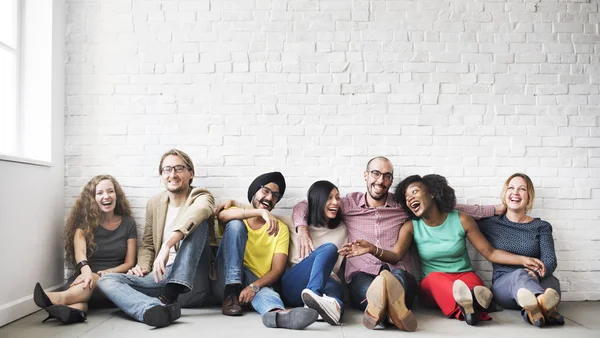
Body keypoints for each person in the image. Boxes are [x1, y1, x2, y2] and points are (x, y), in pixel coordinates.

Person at [294, 157, 499, 331]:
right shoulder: (348, 204)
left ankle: (381, 312)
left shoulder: (403, 205)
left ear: (391, 180)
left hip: (397, 269)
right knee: (369, 286)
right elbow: (305, 204)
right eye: (375, 174)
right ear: (365, 176)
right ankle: (394, 313)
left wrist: (495, 210)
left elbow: (449, 208)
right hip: (361, 273)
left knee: (397, 278)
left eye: (387, 176)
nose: (380, 181)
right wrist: (302, 228)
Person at [351, 174, 543, 326]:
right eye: (407, 197)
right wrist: (372, 248)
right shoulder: (411, 226)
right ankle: (470, 307)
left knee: (471, 284)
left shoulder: (460, 219)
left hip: (464, 276)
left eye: (415, 192)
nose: (410, 199)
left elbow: (490, 252)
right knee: (437, 280)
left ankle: (471, 304)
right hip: (433, 284)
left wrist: (523, 260)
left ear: (432, 193)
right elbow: (395, 256)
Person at [97, 149, 215, 328]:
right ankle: (153, 309)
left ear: (191, 174)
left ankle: (170, 293)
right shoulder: (154, 203)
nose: (172, 174)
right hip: (160, 278)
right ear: (161, 174)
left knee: (199, 225)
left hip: (192, 283)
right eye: (167, 169)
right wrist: (142, 267)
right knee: (106, 280)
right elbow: (148, 244)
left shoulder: (201, 196)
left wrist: (168, 245)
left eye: (178, 168)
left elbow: (200, 212)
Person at [214, 171, 318, 330]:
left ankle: (278, 315)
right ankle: (231, 293)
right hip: (225, 279)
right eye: (265, 191)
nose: (270, 198)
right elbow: (221, 216)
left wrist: (253, 287)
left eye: (275, 195)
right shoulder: (235, 211)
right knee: (236, 224)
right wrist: (260, 212)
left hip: (253, 285)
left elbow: (277, 270)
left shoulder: (280, 228)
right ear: (254, 191)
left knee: (267, 293)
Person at [33, 175, 137, 324]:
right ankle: (74, 314)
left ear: (117, 195)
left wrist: (108, 272)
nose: (106, 196)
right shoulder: (84, 224)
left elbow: (130, 262)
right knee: (80, 302)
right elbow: (80, 252)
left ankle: (56, 298)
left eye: (110, 191)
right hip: (84, 278)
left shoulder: (128, 223)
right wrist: (86, 271)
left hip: (112, 283)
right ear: (92, 198)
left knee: (93, 280)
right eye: (100, 193)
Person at [477, 173, 563, 327]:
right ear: (505, 194)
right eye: (511, 188)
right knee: (519, 275)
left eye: (522, 189)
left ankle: (534, 310)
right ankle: (544, 306)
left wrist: (536, 274)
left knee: (552, 284)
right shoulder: (491, 224)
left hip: (539, 279)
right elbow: (456, 211)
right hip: (505, 285)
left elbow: (550, 260)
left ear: (529, 197)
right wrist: (492, 209)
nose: (515, 192)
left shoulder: (541, 226)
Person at [280, 180, 347, 325]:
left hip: (328, 281)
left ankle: (328, 310)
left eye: (337, 197)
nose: (335, 202)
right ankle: (313, 295)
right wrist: (235, 204)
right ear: (317, 200)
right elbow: (262, 215)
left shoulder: (344, 229)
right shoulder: (295, 223)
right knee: (329, 248)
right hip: (295, 283)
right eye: (329, 197)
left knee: (336, 294)